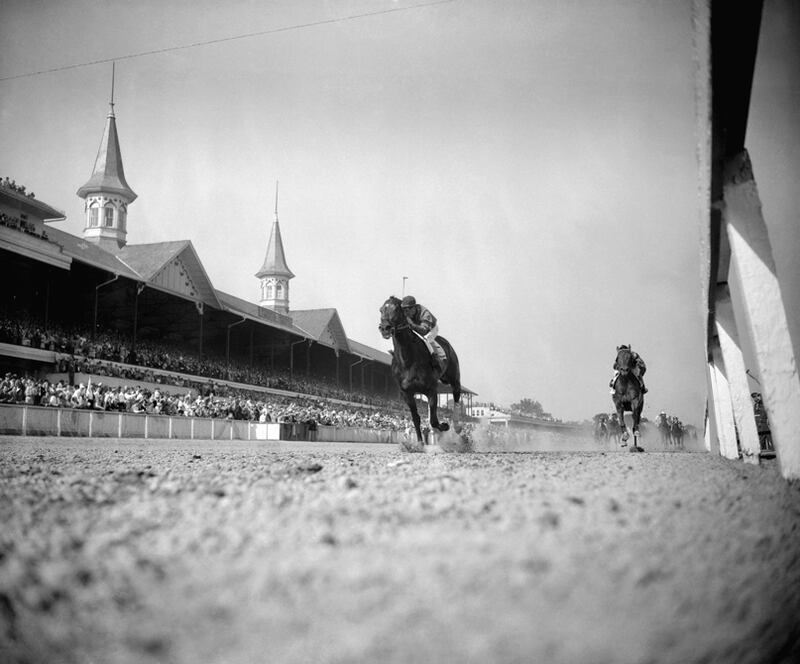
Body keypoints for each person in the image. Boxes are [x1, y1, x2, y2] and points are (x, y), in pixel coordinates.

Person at [400, 295, 447, 370]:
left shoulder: (425, 314)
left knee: (427, 339)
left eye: (407, 310)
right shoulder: (408, 312)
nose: (405, 313)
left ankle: (437, 358)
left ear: (413, 308)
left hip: (430, 329)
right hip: (416, 327)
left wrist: (411, 324)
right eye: (404, 310)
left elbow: (424, 331)